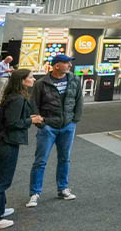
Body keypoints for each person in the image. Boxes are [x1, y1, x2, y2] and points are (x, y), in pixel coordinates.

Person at [0, 69, 45, 230]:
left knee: (1, 179)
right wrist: (32, 120)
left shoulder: (13, 96)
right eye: (30, 77)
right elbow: (12, 123)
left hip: (4, 141)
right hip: (6, 142)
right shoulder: (17, 98)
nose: (33, 79)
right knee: (0, 180)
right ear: (22, 80)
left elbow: (11, 118)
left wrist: (28, 118)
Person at [27, 54, 82, 206]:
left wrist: (74, 120)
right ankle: (35, 193)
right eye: (66, 63)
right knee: (40, 161)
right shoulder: (41, 83)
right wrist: (41, 124)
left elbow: (79, 100)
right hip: (48, 126)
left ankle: (63, 188)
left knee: (65, 158)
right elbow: (33, 103)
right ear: (57, 65)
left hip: (68, 126)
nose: (70, 65)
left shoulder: (74, 79)